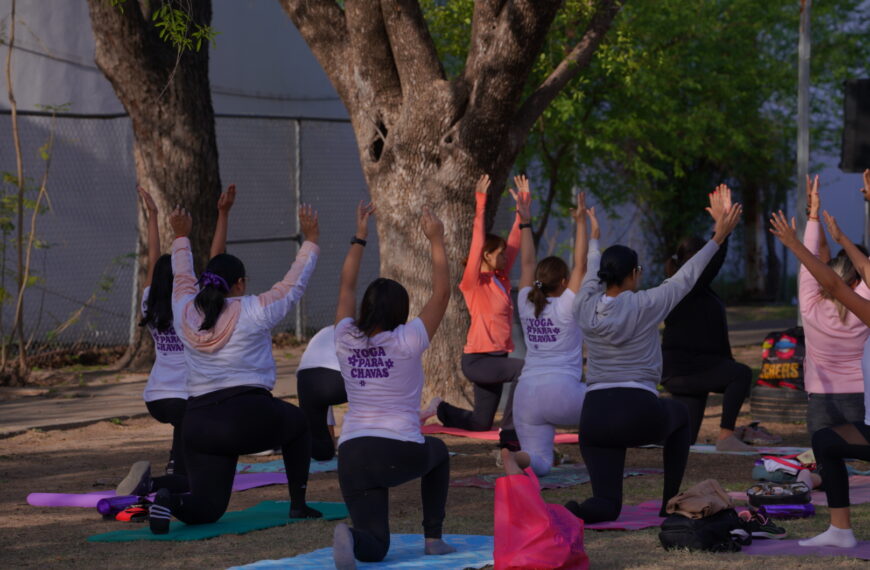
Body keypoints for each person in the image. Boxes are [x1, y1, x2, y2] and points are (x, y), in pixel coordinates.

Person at [136, 202, 323, 534]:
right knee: (298, 423)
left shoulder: (183, 311)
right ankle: (298, 504)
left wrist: (181, 237)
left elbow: (181, 276)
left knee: (208, 509)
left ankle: (169, 500)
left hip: (198, 424)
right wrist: (310, 240)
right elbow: (293, 286)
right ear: (239, 283)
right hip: (246, 419)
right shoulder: (254, 309)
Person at [565, 190, 742, 523]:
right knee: (679, 414)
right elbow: (687, 277)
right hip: (637, 410)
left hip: (595, 418)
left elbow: (589, 272)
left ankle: (566, 513)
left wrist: (594, 241)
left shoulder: (583, 306)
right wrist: (719, 235)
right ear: (633, 274)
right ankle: (668, 503)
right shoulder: (645, 304)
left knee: (606, 504)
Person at [331, 202, 454, 568]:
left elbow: (346, 285)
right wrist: (437, 240)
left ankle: (351, 536)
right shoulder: (408, 338)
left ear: (367, 308)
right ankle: (433, 538)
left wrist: (360, 237)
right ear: (400, 313)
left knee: (375, 545)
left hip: (352, 453)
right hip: (397, 450)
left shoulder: (344, 336)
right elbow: (442, 294)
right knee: (439, 454)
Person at [116, 184, 236, 496]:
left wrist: (154, 218)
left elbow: (153, 259)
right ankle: (155, 482)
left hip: (156, 397)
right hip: (186, 399)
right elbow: (217, 259)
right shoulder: (192, 307)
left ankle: (174, 462)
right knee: (191, 477)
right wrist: (223, 214)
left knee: (185, 437)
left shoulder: (148, 302)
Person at [769, 196, 870, 549]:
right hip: (860, 408)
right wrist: (842, 238)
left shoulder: (820, 304)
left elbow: (834, 285)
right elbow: (860, 277)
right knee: (826, 443)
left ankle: (841, 528)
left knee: (825, 445)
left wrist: (801, 237)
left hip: (825, 399)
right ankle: (840, 531)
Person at [509, 176, 597, 476]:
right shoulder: (567, 304)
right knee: (608, 401)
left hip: (526, 396)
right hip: (563, 394)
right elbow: (581, 264)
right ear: (562, 282)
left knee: (541, 464)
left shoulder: (524, 300)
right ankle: (602, 460)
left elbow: (526, 262)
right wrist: (582, 221)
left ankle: (515, 459)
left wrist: (525, 221)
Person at [431, 174, 523, 448]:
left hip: (496, 357)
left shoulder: (501, 279)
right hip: (479, 361)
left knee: (480, 423)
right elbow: (476, 243)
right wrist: (480, 203)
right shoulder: (473, 282)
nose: (505, 257)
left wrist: (522, 213)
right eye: (499, 253)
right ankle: (511, 433)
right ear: (485, 255)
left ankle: (441, 409)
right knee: (526, 370)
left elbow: (516, 245)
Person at [660, 185, 754, 451]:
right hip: (686, 370)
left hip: (692, 372)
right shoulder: (684, 285)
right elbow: (710, 264)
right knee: (740, 375)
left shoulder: (695, 288)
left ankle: (645, 437)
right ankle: (726, 436)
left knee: (681, 440)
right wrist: (721, 231)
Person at [798, 175, 870, 436]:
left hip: (821, 399)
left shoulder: (809, 307)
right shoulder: (863, 308)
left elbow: (811, 262)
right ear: (855, 282)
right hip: (859, 397)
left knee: (827, 467)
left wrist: (813, 216)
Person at [296, 324, 344, 461]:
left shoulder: (324, 331)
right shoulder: (370, 332)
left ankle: (326, 447)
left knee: (321, 452)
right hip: (336, 378)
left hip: (306, 380)